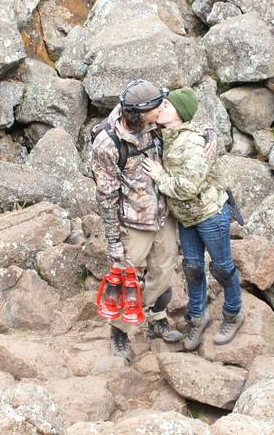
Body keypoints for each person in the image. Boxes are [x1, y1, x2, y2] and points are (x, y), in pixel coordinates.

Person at [91, 79, 215, 362]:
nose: (163, 110)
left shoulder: (154, 122)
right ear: (138, 113)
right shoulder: (107, 143)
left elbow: (190, 119)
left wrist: (211, 135)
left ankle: (157, 319)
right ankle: (119, 332)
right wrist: (114, 242)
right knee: (127, 278)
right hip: (133, 222)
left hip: (163, 214)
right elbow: (106, 196)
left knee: (163, 269)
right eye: (157, 107)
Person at [142, 88, 244, 350]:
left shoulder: (193, 142)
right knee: (193, 269)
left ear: (180, 113)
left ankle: (234, 313)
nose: (160, 108)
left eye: (166, 105)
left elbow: (189, 186)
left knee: (221, 267)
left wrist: (159, 176)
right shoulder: (164, 135)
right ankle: (198, 318)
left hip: (210, 214)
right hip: (186, 217)